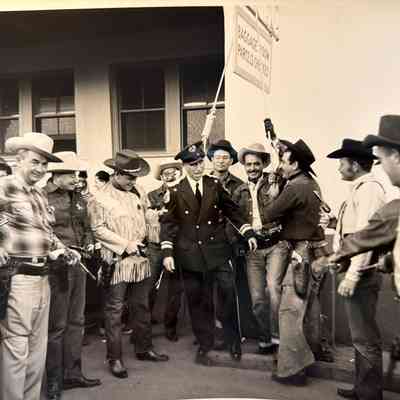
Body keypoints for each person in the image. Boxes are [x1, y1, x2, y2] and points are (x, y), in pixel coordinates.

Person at [160, 141, 257, 365]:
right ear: (185, 166)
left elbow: (233, 211)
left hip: (218, 252)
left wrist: (248, 232)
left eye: (200, 163)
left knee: (227, 295)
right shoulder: (175, 191)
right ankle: (205, 343)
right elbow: (168, 224)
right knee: (197, 301)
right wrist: (167, 253)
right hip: (190, 254)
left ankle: (233, 341)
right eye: (192, 164)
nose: (197, 168)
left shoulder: (214, 185)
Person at [0, 132, 79, 400]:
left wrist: (61, 249)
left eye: (44, 164)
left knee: (37, 349)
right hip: (17, 276)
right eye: (35, 162)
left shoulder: (39, 194)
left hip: (43, 276)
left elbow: (46, 232)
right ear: (19, 159)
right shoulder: (4, 186)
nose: (40, 169)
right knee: (16, 346)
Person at [328, 115, 400, 399]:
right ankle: (362, 388)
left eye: (342, 162)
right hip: (359, 270)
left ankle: (369, 393)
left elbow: (366, 239)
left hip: (362, 273)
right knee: (360, 335)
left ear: (355, 165)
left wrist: (352, 276)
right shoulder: (361, 188)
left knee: (364, 336)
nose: (339, 167)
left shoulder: (369, 189)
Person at [89, 149, 169, 380]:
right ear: (115, 173)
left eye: (135, 177)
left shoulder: (137, 192)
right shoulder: (100, 197)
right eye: (128, 177)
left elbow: (146, 217)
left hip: (140, 259)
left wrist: (155, 219)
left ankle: (144, 348)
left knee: (141, 305)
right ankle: (114, 358)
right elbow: (98, 229)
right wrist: (125, 244)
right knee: (115, 310)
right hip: (117, 260)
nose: (133, 181)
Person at [259, 138, 327, 385]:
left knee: (289, 312)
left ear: (296, 164)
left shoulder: (295, 187)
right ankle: (314, 353)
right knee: (309, 308)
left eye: (284, 162)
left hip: (299, 254)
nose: (281, 166)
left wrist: (274, 190)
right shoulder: (311, 183)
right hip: (313, 251)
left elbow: (268, 214)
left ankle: (293, 370)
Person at [44, 152, 101, 399]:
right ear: (57, 175)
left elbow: (86, 226)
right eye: (71, 174)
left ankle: (73, 374)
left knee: (77, 321)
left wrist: (89, 242)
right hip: (57, 266)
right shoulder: (43, 197)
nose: (76, 179)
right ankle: (54, 381)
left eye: (76, 174)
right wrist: (62, 251)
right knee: (57, 326)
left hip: (80, 264)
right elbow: (43, 232)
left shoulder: (78, 196)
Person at [233, 143, 284, 354]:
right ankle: (265, 339)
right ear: (244, 166)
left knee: (273, 289)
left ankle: (278, 338)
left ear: (263, 164)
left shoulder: (275, 181)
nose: (252, 168)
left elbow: (283, 168)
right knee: (257, 299)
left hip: (275, 245)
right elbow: (233, 219)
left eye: (256, 163)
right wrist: (238, 242)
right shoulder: (239, 190)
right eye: (249, 164)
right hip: (252, 249)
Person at [147, 159, 183, 341]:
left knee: (175, 289)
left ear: (179, 174)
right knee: (149, 286)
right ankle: (144, 327)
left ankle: (170, 327)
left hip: (178, 246)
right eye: (166, 173)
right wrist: (158, 214)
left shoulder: (185, 194)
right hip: (155, 246)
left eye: (173, 172)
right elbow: (147, 217)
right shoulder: (152, 195)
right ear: (161, 177)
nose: (170, 176)